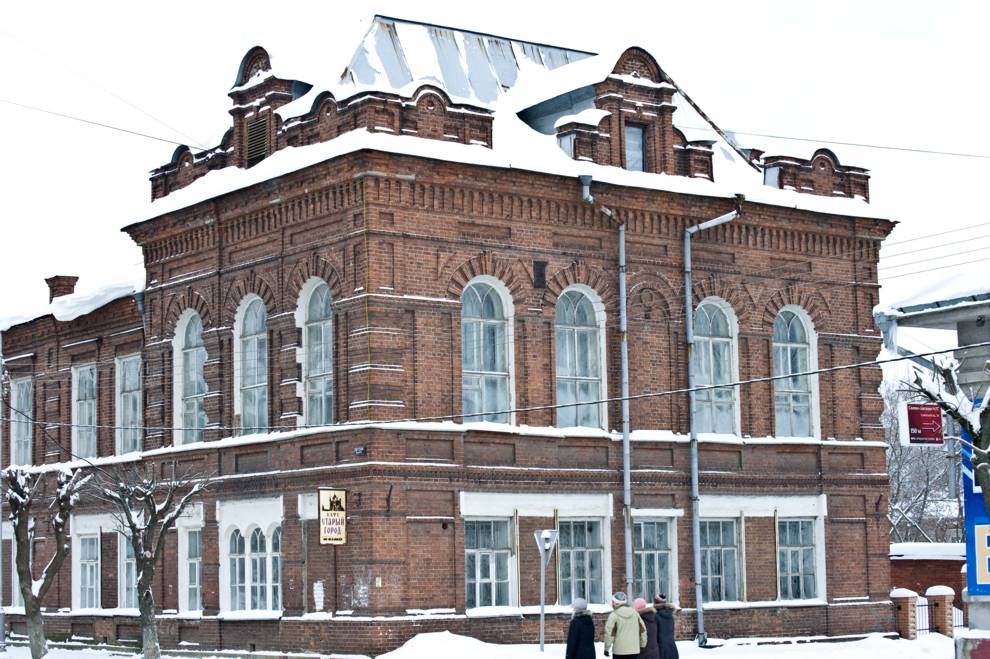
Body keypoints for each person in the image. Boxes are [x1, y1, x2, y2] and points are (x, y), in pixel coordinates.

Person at [604, 592, 647, 658]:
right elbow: (643, 631)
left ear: (616, 603)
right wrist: (643, 645)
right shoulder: (635, 614)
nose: (612, 603)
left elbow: (609, 633)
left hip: (619, 652)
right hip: (634, 651)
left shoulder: (613, 615)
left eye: (613, 602)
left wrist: (606, 648)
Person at [653, 594, 680, 659]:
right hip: (672, 647)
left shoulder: (656, 616)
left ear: (656, 603)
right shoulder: (670, 614)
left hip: (661, 649)